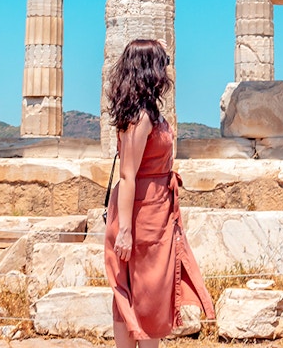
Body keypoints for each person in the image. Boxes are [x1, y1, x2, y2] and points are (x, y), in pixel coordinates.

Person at [104, 39, 215, 347]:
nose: (167, 68)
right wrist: (125, 230)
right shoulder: (140, 117)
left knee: (147, 287)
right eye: (163, 62)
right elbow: (128, 175)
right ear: (150, 69)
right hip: (141, 212)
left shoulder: (145, 111)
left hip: (155, 207)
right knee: (143, 287)